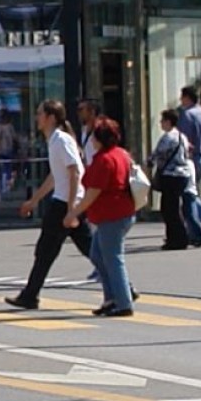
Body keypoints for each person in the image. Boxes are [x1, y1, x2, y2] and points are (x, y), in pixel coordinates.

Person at [3, 99, 91, 310]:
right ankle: (123, 287)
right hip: (66, 202)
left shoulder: (61, 140)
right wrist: (34, 200)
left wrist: (71, 209)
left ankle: (30, 295)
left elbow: (74, 172)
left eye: (40, 113)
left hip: (65, 204)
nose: (37, 118)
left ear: (51, 117)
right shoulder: (54, 140)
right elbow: (56, 176)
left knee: (46, 251)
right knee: (87, 249)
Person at [67, 116, 138, 317]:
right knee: (98, 255)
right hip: (122, 212)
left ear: (98, 139)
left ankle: (123, 302)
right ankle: (111, 299)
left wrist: (73, 213)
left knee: (113, 258)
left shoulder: (104, 160)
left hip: (111, 215)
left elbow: (92, 192)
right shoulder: (121, 154)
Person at [151, 108, 195, 251]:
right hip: (182, 175)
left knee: (169, 209)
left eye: (162, 120)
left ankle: (176, 239)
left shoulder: (168, 137)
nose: (160, 123)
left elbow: (156, 155)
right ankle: (177, 237)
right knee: (174, 207)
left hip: (171, 175)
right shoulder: (182, 136)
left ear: (169, 122)